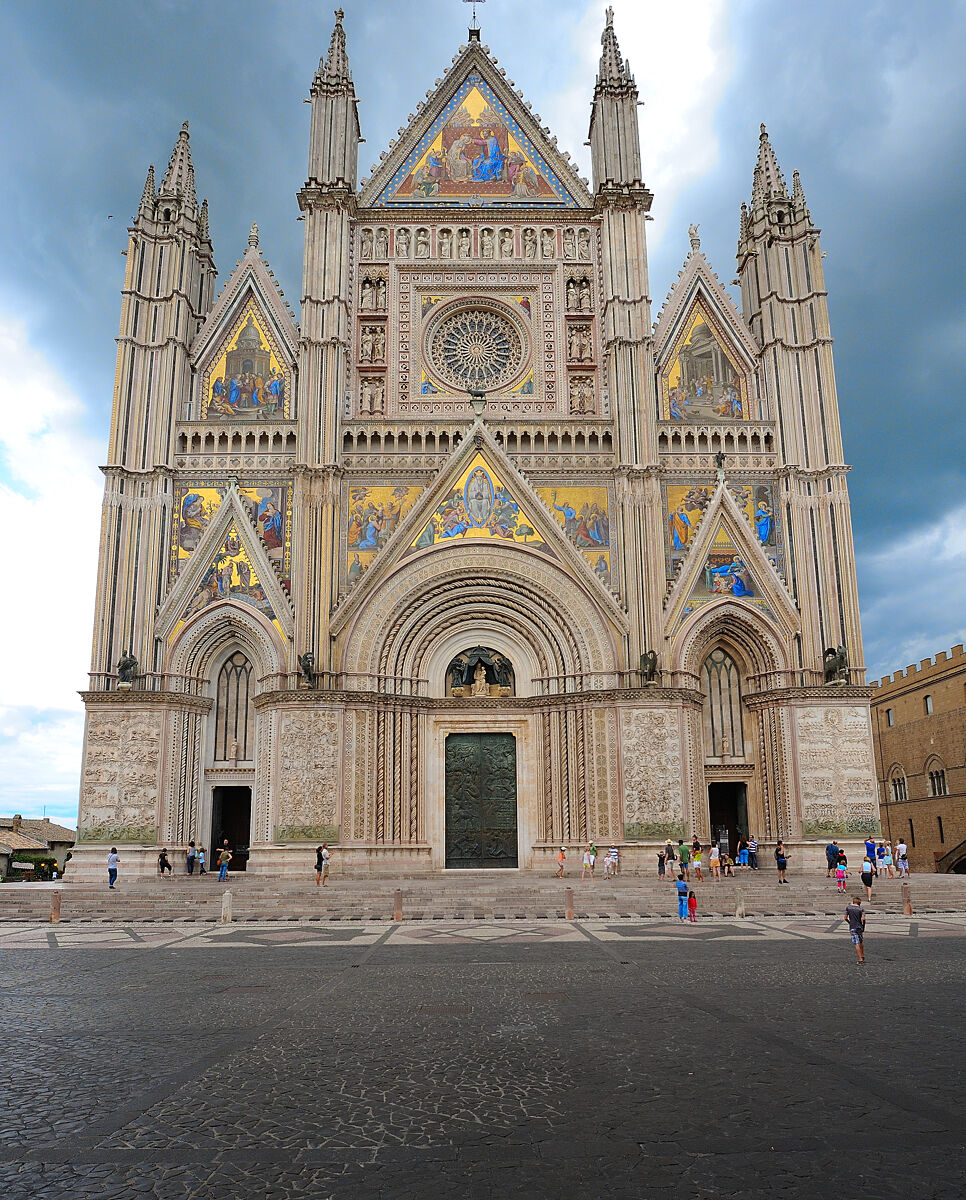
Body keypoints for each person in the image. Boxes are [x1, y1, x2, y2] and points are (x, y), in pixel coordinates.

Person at [844, 895, 866, 963]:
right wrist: (863, 925)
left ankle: (860, 959)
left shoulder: (848, 908)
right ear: (859, 903)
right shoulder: (861, 909)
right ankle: (862, 955)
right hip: (859, 927)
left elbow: (845, 918)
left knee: (856, 943)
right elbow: (864, 919)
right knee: (861, 941)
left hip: (852, 927)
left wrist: (849, 922)